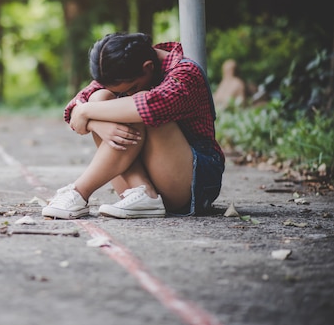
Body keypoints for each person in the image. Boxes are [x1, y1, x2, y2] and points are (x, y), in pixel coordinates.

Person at [42, 32, 225, 219]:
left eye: (132, 86)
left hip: (192, 185)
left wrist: (86, 113)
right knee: (99, 97)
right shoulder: (122, 69)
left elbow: (148, 106)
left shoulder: (185, 74)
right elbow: (74, 112)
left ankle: (79, 192)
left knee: (135, 107)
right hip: (138, 188)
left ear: (148, 68)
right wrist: (98, 125)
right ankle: (145, 193)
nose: (128, 92)